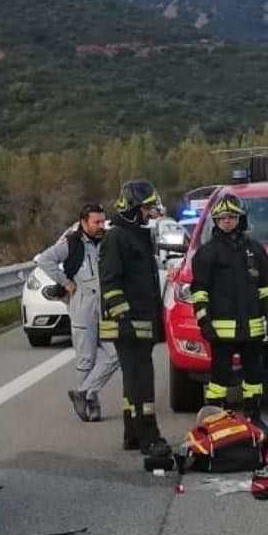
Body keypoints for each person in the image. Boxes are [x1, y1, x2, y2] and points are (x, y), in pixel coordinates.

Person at [188, 191, 268, 422]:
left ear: (241, 218)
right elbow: (199, 291)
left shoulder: (255, 250)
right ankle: (214, 421)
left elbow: (266, 288)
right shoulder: (207, 253)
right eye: (222, 218)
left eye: (232, 217)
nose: (227, 221)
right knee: (219, 379)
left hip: (252, 329)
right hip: (221, 331)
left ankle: (253, 418)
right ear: (216, 221)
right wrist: (204, 321)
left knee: (254, 377)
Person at [100, 179, 170, 461]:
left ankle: (132, 434)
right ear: (132, 208)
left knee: (133, 381)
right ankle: (149, 438)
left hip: (139, 322)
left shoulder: (136, 235)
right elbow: (110, 282)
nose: (151, 212)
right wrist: (124, 318)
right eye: (147, 207)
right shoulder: (118, 237)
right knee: (142, 382)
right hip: (129, 324)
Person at [34, 202, 119, 422]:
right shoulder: (71, 243)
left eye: (103, 221)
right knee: (86, 359)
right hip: (83, 305)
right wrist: (65, 282)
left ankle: (83, 393)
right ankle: (91, 404)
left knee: (115, 354)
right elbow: (44, 260)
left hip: (106, 306)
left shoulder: (108, 241)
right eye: (96, 222)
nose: (101, 226)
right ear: (84, 222)